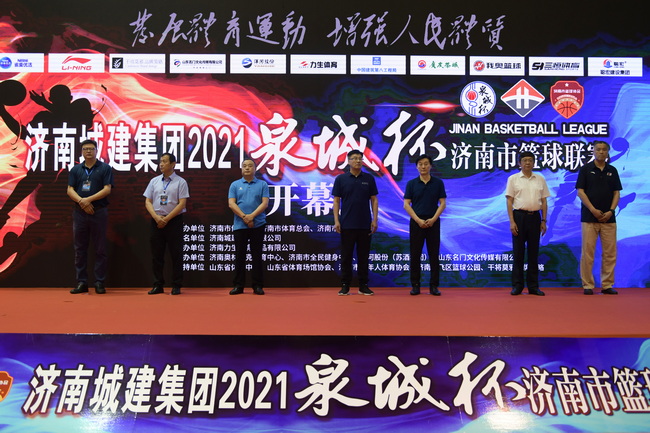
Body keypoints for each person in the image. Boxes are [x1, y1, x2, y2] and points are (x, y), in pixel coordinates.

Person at [576, 140, 622, 295]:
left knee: (610, 253)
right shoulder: (586, 169)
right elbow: (580, 192)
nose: (601, 152)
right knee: (588, 253)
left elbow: (616, 193)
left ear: (608, 152)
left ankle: (607, 284)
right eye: (598, 149)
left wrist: (611, 211)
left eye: (604, 149)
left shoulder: (612, 170)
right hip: (589, 217)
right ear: (593, 151)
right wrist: (593, 210)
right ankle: (587, 285)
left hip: (609, 218)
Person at [67, 139, 113, 294]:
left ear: (96, 151)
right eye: (85, 149)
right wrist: (82, 202)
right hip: (79, 212)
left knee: (100, 249)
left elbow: (107, 189)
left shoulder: (105, 168)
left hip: (98, 212)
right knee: (80, 249)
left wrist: (88, 200)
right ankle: (82, 282)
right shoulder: (76, 169)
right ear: (81, 151)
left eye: (91, 149)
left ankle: (99, 282)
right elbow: (70, 190)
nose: (88, 151)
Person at [332, 149, 379, 295]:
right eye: (354, 158)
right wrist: (336, 220)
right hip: (346, 223)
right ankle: (345, 285)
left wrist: (375, 219)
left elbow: (374, 200)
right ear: (348, 161)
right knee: (346, 256)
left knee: (363, 256)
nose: (357, 161)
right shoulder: (341, 179)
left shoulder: (369, 179)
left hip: (365, 224)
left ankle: (363, 285)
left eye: (360, 158)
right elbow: (336, 201)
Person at [143, 153, 189, 295]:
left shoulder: (181, 182)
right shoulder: (154, 181)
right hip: (156, 221)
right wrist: (157, 218)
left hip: (174, 221)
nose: (161, 164)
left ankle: (176, 285)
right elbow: (148, 201)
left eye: (164, 161)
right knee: (157, 255)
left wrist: (167, 219)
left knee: (176, 254)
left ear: (173, 164)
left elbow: (182, 204)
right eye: (160, 161)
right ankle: (158, 285)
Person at [505, 151, 550, 296]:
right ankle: (517, 286)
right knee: (518, 253)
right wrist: (512, 221)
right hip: (519, 217)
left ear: (534, 163)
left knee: (533, 253)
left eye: (530, 160)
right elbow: (509, 201)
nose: (528, 163)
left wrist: (544, 220)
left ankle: (533, 286)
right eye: (524, 160)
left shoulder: (540, 179)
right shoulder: (513, 179)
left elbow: (544, 201)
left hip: (535, 217)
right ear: (520, 163)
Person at [403, 155, 447, 296]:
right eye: (420, 164)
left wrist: (433, 219)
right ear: (417, 167)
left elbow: (443, 203)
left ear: (430, 166)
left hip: (433, 222)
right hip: (417, 223)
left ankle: (434, 286)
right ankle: (415, 285)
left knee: (434, 255)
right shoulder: (412, 184)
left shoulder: (438, 183)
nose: (423, 166)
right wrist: (418, 220)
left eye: (426, 164)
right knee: (415, 254)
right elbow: (406, 204)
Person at [228, 158, 269, 295]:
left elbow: (264, 203)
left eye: (250, 166)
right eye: (244, 166)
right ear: (241, 168)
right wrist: (244, 217)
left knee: (256, 255)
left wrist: (252, 216)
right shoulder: (235, 185)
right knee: (240, 256)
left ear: (255, 169)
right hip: (240, 225)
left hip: (258, 224)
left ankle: (257, 286)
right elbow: (231, 204)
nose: (247, 168)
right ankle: (238, 286)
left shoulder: (262, 184)